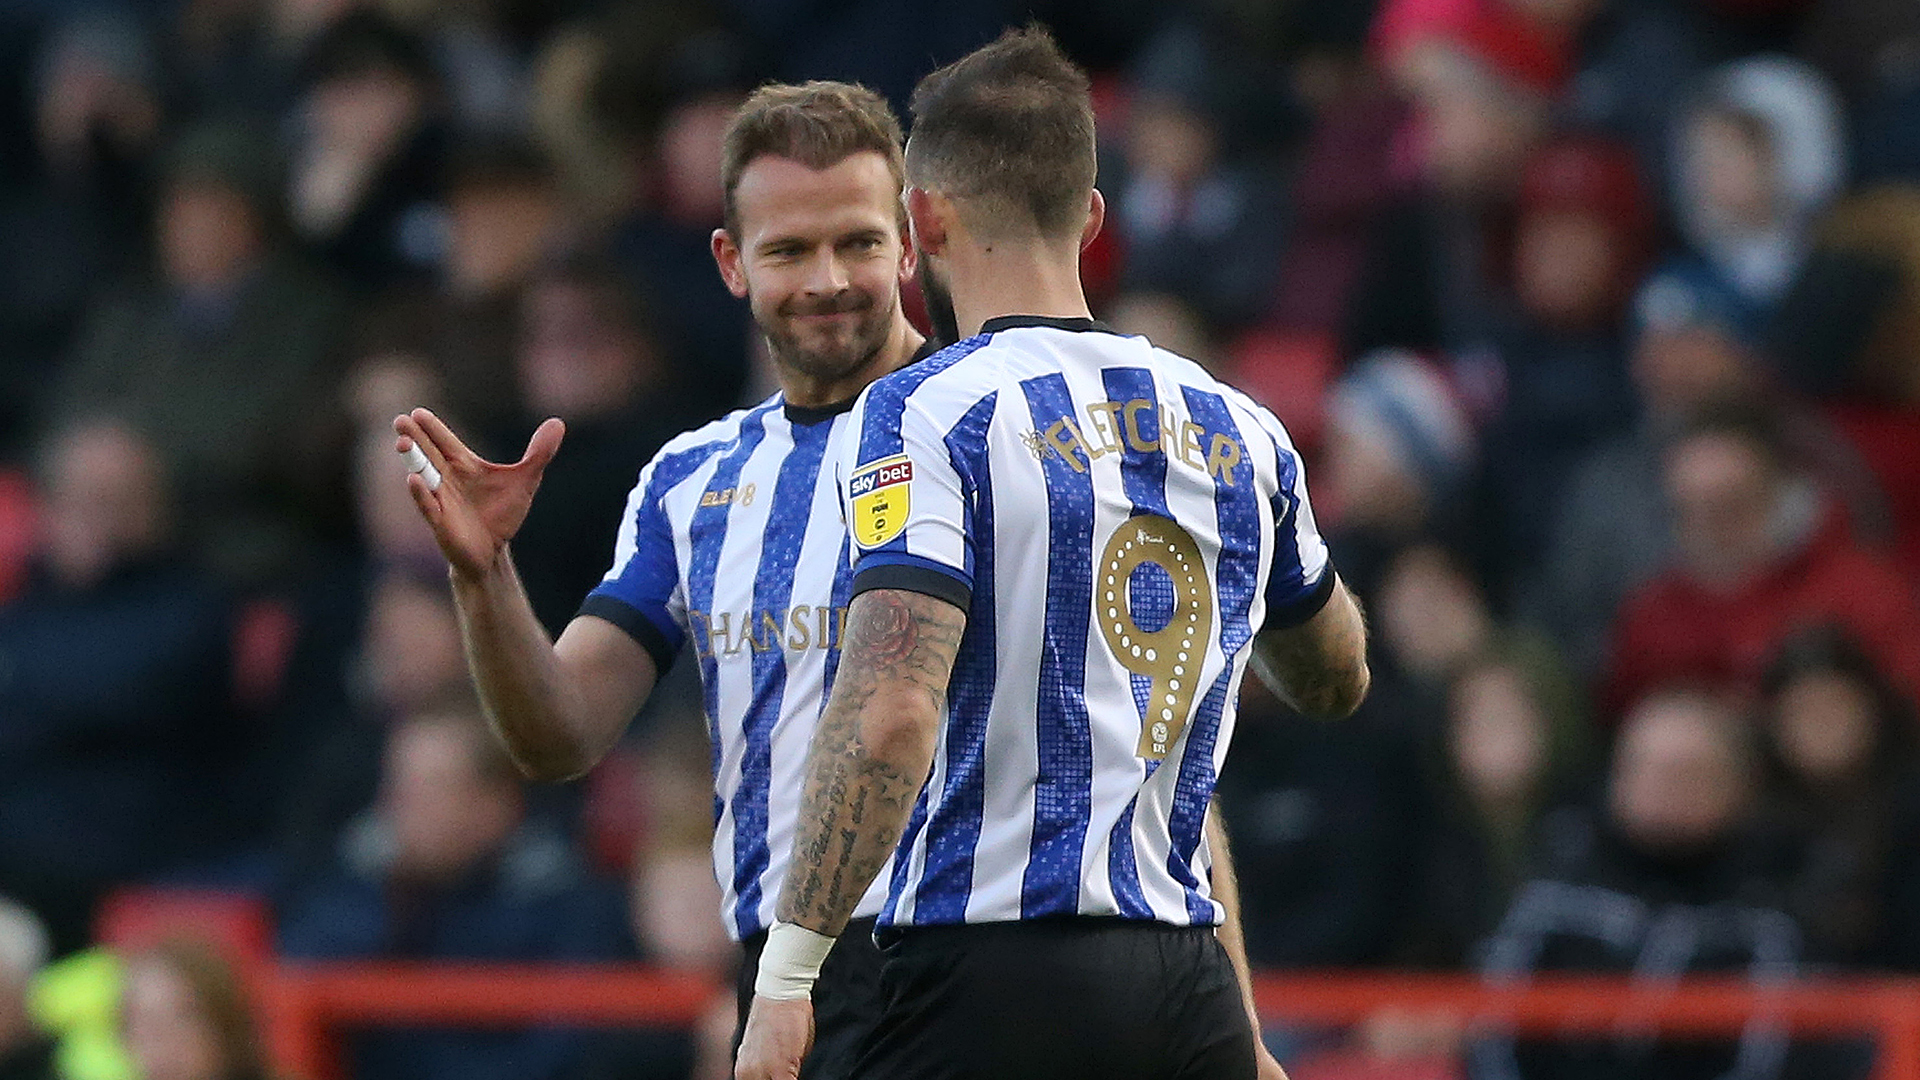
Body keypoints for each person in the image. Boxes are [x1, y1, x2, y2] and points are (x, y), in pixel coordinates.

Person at [738, 28, 1370, 1080]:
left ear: (922, 221)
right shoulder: (1242, 429)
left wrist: (788, 976)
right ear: (1090, 216)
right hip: (1190, 991)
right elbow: (1335, 673)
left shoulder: (928, 413)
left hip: (987, 978)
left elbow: (893, 710)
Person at [395, 81, 931, 1079]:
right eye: (787, 250)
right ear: (732, 262)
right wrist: (485, 577)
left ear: (908, 241)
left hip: (984, 965)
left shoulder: (999, 433)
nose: (828, 280)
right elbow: (559, 732)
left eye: (856, 242)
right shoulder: (696, 481)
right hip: (788, 990)